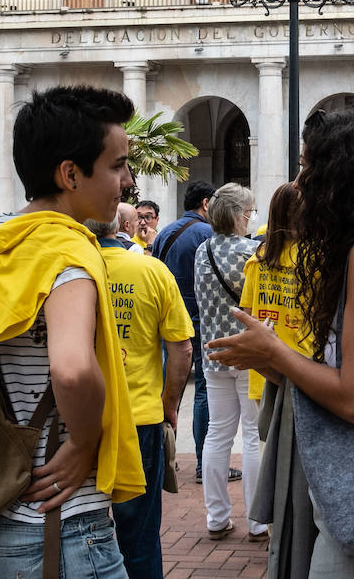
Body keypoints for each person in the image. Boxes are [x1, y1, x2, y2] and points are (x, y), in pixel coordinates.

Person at [206, 107, 354, 576]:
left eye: (308, 166)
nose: (300, 182)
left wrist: (275, 352)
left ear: (343, 175)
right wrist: (272, 362)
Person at [0, 85, 145, 579]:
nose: (127, 180)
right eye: (118, 165)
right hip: (59, 525)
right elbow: (73, 369)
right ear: (70, 173)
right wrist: (83, 442)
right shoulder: (67, 254)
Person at [85, 213, 194, 579]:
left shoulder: (69, 267)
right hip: (140, 418)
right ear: (122, 227)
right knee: (140, 536)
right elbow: (181, 347)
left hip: (79, 420)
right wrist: (170, 403)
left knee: (78, 530)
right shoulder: (151, 271)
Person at [192, 182, 268, 541]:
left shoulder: (201, 251)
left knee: (217, 434)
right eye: (250, 212)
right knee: (251, 436)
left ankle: (216, 517)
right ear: (239, 216)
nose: (251, 217)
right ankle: (256, 521)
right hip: (248, 355)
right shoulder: (252, 253)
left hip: (213, 352)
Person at [151, 179, 219, 482]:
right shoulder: (206, 233)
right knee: (203, 391)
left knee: (169, 391)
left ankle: (165, 457)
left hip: (167, 322)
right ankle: (204, 463)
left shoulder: (164, 231)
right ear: (205, 203)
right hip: (199, 320)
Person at [242, 183, 311, 403]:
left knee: (269, 437)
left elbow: (247, 315)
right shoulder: (315, 261)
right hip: (305, 367)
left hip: (264, 369)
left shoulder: (257, 261)